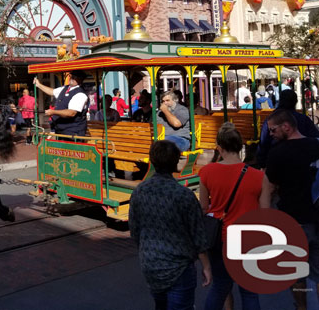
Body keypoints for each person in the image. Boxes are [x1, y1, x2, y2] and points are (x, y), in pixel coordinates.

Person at [129, 140, 211, 309]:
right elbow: (198, 235)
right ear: (175, 162)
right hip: (179, 267)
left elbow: (135, 230)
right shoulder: (184, 195)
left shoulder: (139, 192)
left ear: (152, 161)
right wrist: (206, 266)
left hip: (151, 264)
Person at [199, 123, 264, 310]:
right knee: (249, 291)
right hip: (247, 236)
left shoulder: (206, 172)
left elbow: (204, 207)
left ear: (219, 148)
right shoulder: (257, 176)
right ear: (240, 146)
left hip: (220, 237)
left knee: (220, 286)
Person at [260, 109, 319, 309]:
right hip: (317, 219)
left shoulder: (277, 153)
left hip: (292, 221)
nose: (271, 134)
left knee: (297, 273)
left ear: (286, 127)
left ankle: (301, 307)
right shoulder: (316, 146)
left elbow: (268, 189)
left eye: (273, 130)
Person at [256, 89, 319, 168]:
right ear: (295, 102)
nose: (272, 133)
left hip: (276, 164)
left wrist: (263, 164)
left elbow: (263, 144)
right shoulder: (303, 119)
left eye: (273, 131)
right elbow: (315, 137)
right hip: (303, 164)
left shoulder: (271, 119)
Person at [33, 71, 89, 137]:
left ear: (80, 80)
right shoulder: (65, 88)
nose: (72, 78)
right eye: (71, 76)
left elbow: (71, 113)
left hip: (73, 132)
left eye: (75, 77)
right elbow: (52, 91)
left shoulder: (80, 94)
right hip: (61, 129)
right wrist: (39, 85)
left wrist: (53, 112)